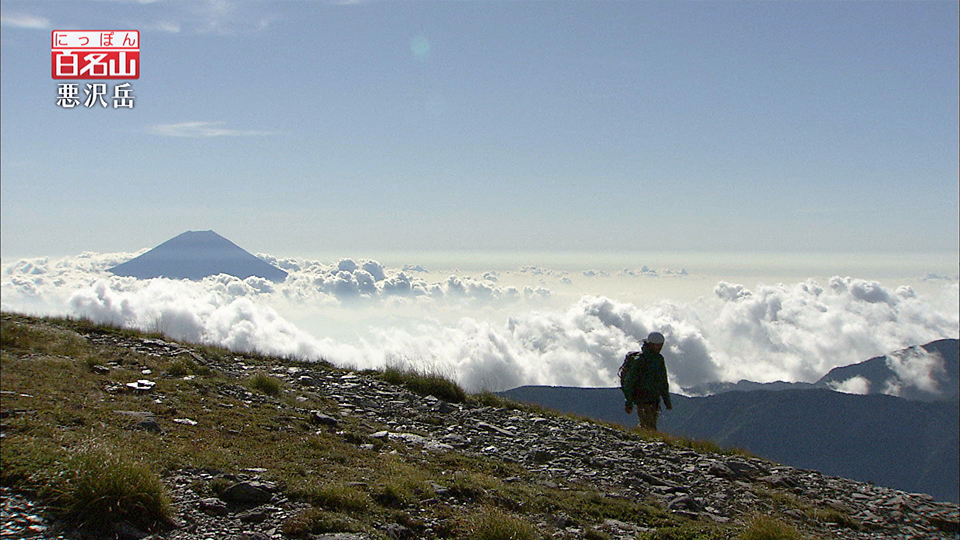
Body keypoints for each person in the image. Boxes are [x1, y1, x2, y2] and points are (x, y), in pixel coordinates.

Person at [619, 331, 672, 430]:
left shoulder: (659, 359)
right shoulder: (640, 360)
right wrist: (629, 401)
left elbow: (663, 381)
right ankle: (643, 440)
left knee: (648, 425)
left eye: (661, 345)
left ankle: (640, 437)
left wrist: (666, 400)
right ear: (651, 344)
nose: (660, 348)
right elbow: (629, 382)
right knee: (650, 427)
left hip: (654, 400)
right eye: (658, 345)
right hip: (642, 398)